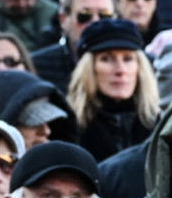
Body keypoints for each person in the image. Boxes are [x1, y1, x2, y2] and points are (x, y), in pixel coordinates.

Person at [67, 17, 159, 160]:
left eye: (128, 58)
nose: (120, 70)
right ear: (89, 69)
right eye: (106, 59)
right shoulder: (69, 128)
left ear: (140, 67)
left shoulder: (160, 123)